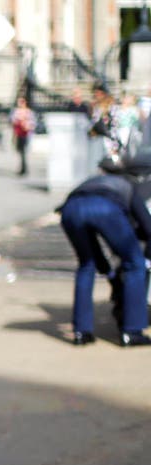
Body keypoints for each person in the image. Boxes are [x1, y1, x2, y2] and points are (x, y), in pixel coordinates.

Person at [57, 169, 151, 346]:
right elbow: (149, 228)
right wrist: (147, 260)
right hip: (104, 208)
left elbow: (96, 253)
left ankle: (81, 332)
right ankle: (132, 331)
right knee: (135, 264)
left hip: (70, 209)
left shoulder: (94, 181)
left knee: (86, 264)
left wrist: (110, 275)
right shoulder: (130, 188)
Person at [10, 96, 36, 176]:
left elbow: (33, 123)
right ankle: (22, 167)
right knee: (20, 151)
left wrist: (27, 124)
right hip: (18, 134)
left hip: (26, 134)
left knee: (24, 152)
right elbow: (12, 120)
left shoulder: (29, 112)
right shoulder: (16, 112)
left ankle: (24, 168)